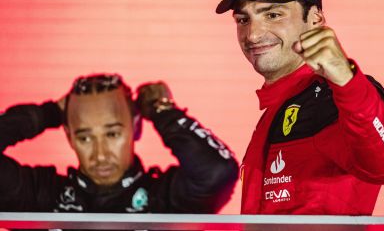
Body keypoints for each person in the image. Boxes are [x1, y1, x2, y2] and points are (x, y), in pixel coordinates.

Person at [216, 0, 384, 215]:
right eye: (243, 19)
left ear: (315, 18)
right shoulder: (278, 108)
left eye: (273, 15)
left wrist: (346, 81)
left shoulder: (334, 96)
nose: (252, 34)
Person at [0, 74, 238, 213]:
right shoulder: (42, 195)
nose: (100, 155)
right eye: (85, 138)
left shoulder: (165, 198)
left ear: (136, 127)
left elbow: (218, 171)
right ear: (68, 136)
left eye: (112, 135)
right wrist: (48, 113)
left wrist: (163, 111)